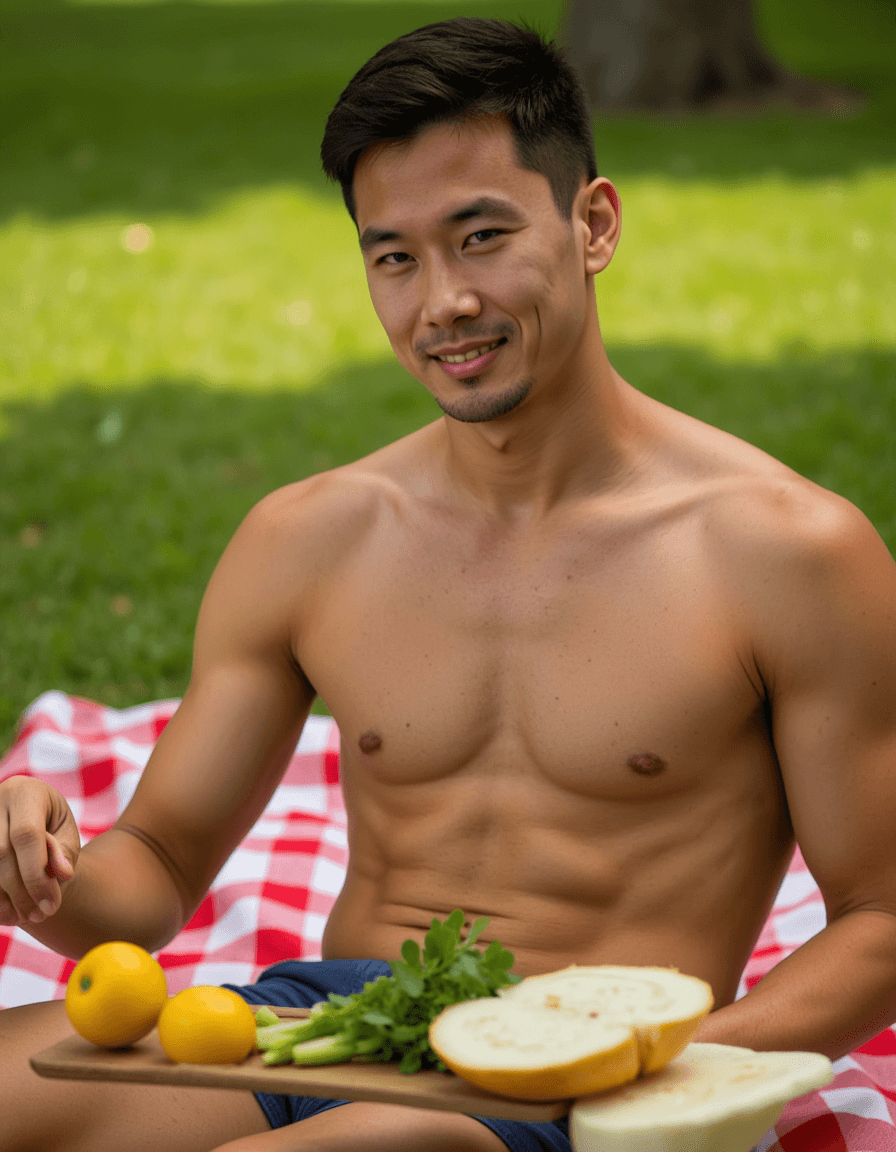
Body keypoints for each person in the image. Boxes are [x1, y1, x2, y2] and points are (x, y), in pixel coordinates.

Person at [2, 16, 896, 1152]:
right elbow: (159, 869)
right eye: (395, 256)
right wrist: (44, 868)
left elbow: (879, 916)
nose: (441, 304)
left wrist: (669, 1081)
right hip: (325, 1023)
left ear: (593, 224)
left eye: (480, 237)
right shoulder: (309, 538)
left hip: (570, 1084)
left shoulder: (784, 553)